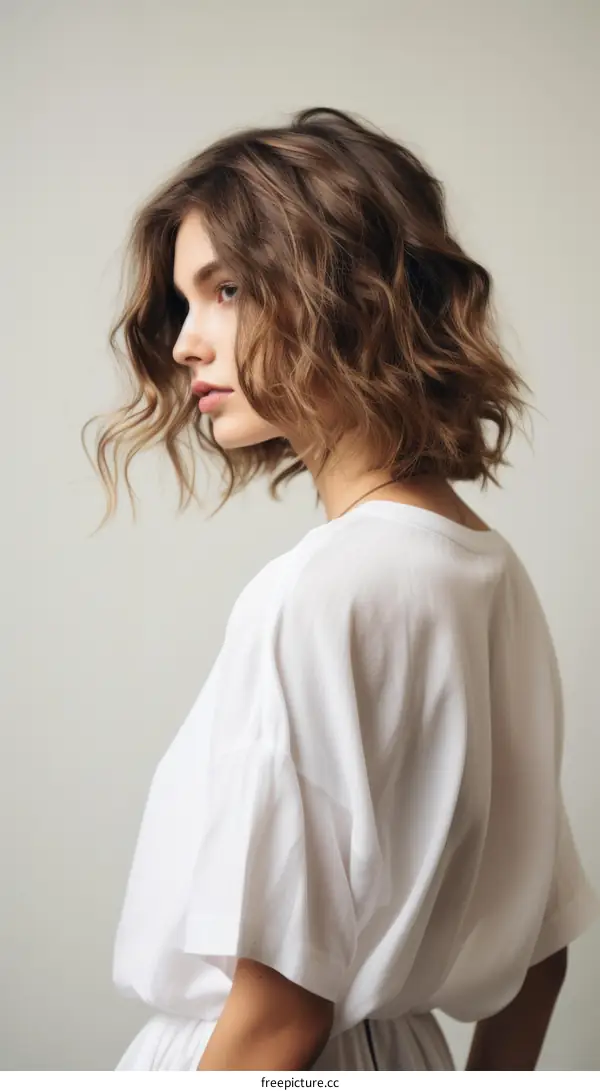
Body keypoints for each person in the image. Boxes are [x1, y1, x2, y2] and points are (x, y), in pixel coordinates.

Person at [82, 106, 599, 1071]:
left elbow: (279, 1019)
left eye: (225, 289)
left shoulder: (322, 590)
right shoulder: (489, 573)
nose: (187, 341)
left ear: (340, 291)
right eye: (183, 302)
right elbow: (541, 963)